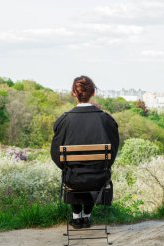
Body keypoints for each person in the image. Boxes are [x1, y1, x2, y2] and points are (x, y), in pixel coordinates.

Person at [51, 76, 119, 229]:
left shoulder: (64, 120)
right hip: (99, 178)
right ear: (93, 93)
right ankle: (86, 216)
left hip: (73, 179)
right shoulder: (106, 119)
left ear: (73, 93)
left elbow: (55, 154)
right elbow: (113, 150)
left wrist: (67, 167)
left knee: (76, 173)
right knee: (90, 173)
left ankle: (76, 217)